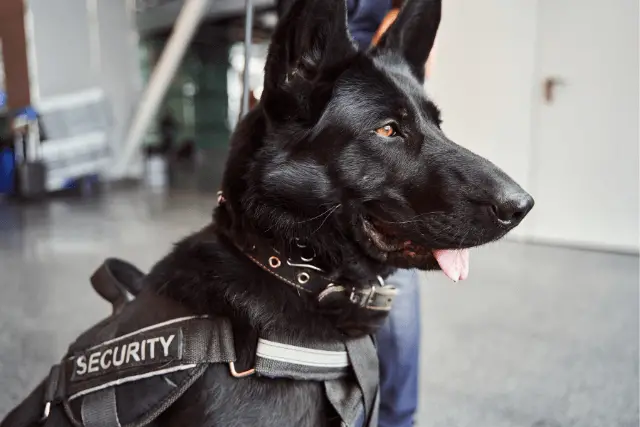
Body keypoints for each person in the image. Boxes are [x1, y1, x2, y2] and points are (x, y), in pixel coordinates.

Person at [275, 1, 422, 425]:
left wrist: (391, 61)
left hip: (374, 87)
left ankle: (398, 418)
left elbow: (411, 20)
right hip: (312, 96)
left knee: (394, 295)